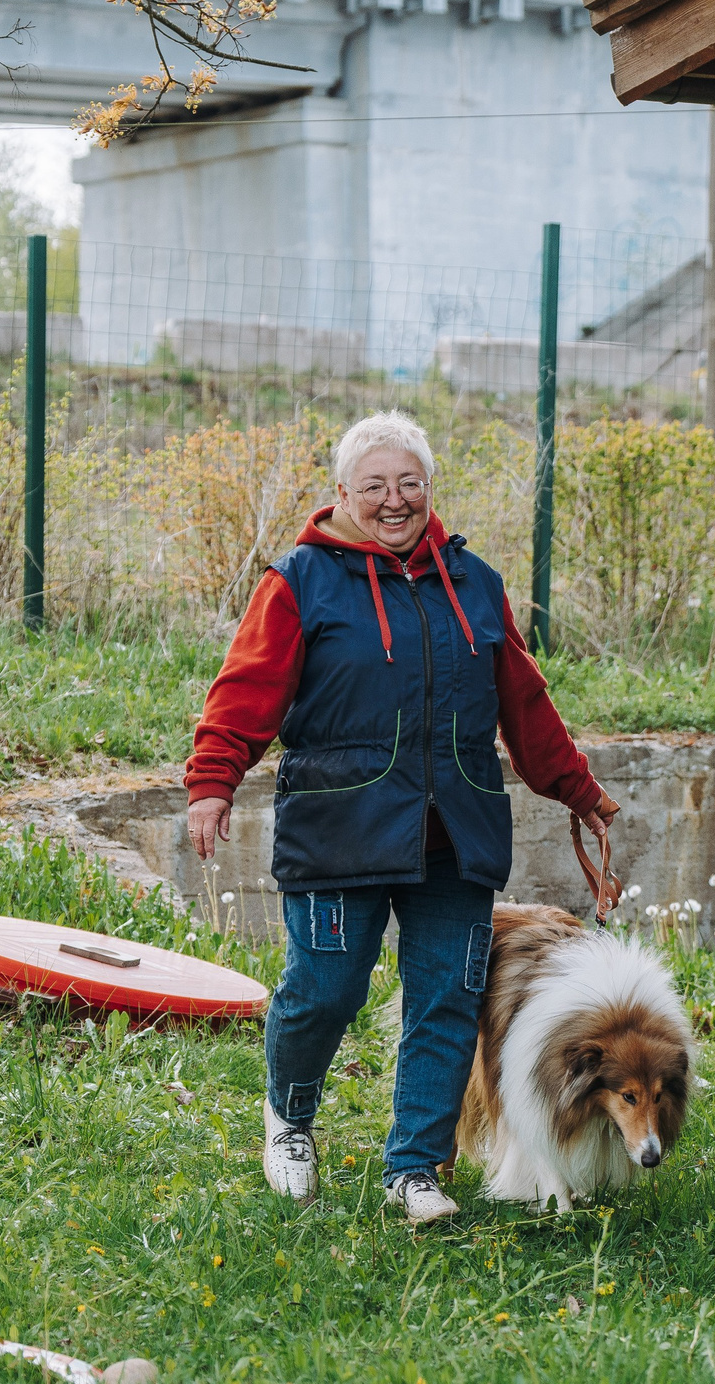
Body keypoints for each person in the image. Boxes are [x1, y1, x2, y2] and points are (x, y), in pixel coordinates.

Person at [185, 412, 620, 1221]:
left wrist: (580, 791)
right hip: (339, 828)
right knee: (325, 988)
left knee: (446, 998)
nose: (395, 501)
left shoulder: (475, 584)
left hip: (455, 830)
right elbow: (244, 691)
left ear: (430, 489)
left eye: (409, 483)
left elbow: (524, 703)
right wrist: (214, 779)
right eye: (376, 486)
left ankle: (415, 1166)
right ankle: (290, 1118)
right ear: (343, 494)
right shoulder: (298, 581)